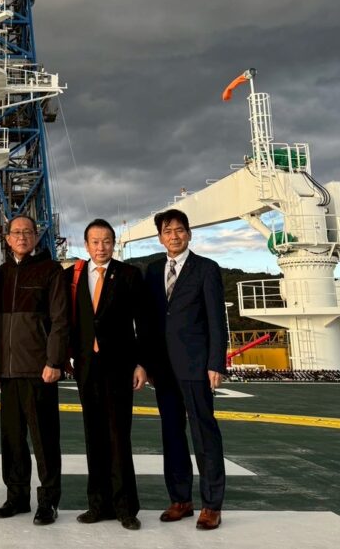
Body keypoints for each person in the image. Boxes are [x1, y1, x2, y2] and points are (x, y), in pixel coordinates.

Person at [146, 208, 227, 531]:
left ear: (189, 234)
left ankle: (211, 504)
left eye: (179, 230)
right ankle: (180, 499)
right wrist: (147, 363)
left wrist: (215, 362)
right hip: (163, 368)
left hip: (195, 365)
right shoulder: (153, 271)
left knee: (204, 434)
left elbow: (216, 320)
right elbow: (150, 322)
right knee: (172, 433)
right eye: (167, 231)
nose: (174, 236)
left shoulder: (206, 269)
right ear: (160, 238)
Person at [68, 218, 150, 530]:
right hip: (86, 366)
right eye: (95, 242)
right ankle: (98, 505)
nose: (101, 247)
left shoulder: (129, 274)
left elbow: (143, 322)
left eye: (106, 241)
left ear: (113, 244)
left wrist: (141, 363)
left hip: (119, 366)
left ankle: (126, 508)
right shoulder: (72, 276)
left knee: (118, 435)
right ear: (86, 245)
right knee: (93, 435)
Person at [0, 214, 69, 526]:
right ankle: (17, 496)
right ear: (7, 238)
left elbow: (60, 319)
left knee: (44, 439)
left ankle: (48, 500)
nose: (21, 237)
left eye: (27, 232)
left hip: (39, 369)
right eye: (16, 232)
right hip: (8, 371)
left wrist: (54, 361)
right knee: (12, 439)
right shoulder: (1, 274)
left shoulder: (51, 270)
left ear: (36, 237)